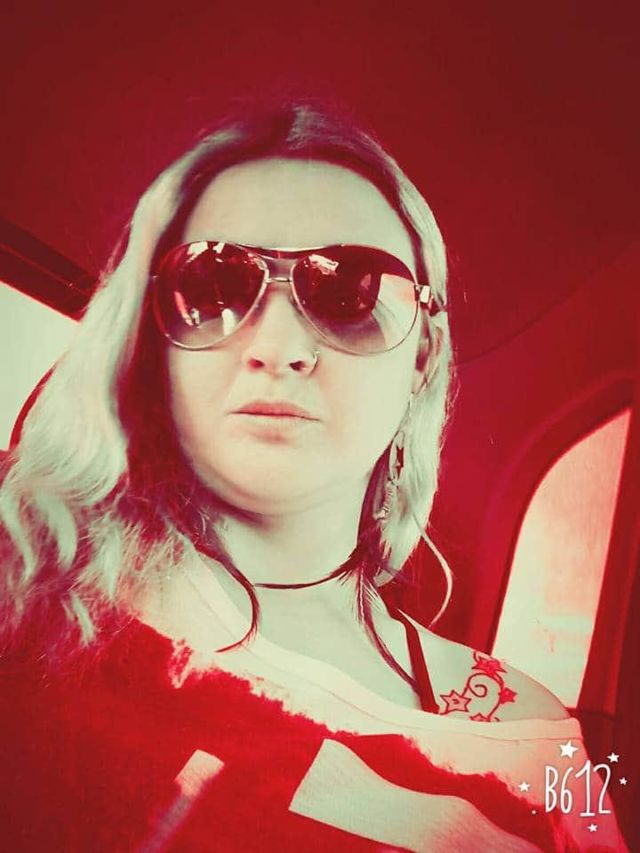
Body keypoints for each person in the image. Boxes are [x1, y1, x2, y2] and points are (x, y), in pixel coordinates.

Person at [0, 101, 628, 851]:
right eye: (215, 286)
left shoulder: (534, 745)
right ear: (152, 337)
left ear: (422, 356)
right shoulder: (26, 582)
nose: (277, 346)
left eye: (350, 292)